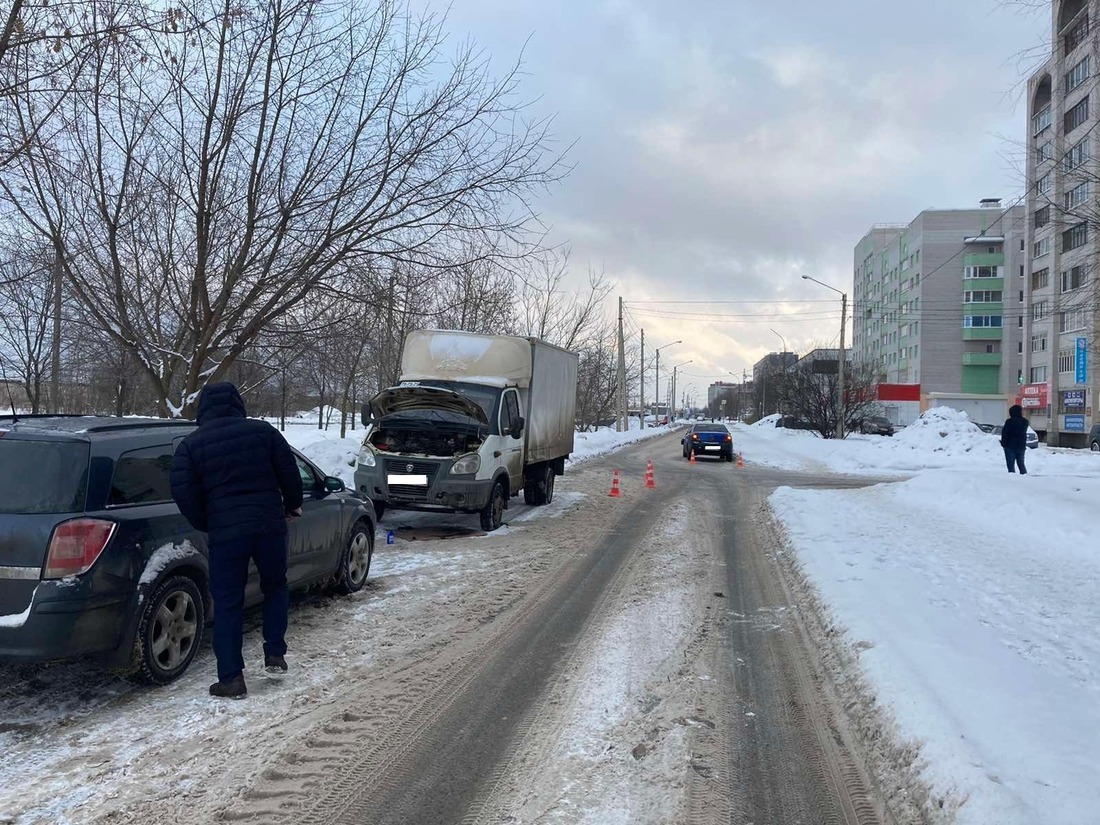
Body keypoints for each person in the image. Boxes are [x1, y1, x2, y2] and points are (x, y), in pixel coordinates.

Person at [170, 382, 304, 699]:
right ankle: (275, 653)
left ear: (203, 408)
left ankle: (231, 678)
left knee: (229, 602)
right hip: (269, 525)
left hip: (226, 533)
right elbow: (289, 471)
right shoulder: (265, 433)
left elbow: (182, 491)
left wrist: (208, 521)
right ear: (238, 405)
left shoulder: (191, 445)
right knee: (275, 586)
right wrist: (292, 504)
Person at [1000, 404, 1029, 475]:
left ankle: (1013, 479)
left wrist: (1004, 444)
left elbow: (1005, 433)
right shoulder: (1025, 421)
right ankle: (1024, 476)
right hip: (1021, 446)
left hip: (1010, 446)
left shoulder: (1009, 422)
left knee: (1010, 465)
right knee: (1021, 464)